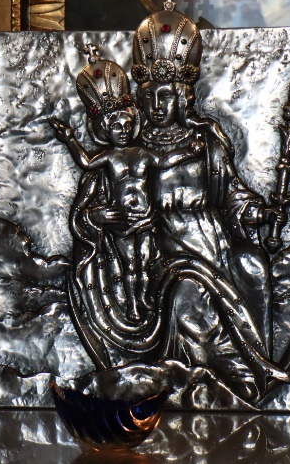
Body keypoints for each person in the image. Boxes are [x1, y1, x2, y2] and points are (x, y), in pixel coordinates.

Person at [65, 2, 290, 404]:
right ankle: (219, 379)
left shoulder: (206, 141)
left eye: (165, 96)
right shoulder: (129, 151)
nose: (157, 106)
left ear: (182, 96)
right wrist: (99, 217)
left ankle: (257, 365)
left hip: (214, 243)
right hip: (162, 252)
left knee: (253, 265)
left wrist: (259, 212)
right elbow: (87, 211)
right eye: (149, 97)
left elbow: (232, 194)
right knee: (188, 294)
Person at [49, 53, 203, 323]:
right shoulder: (107, 158)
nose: (122, 130)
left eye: (127, 125)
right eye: (116, 126)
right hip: (122, 221)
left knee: (145, 261)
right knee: (130, 264)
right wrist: (70, 138)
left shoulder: (141, 152)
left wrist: (189, 152)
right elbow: (85, 163)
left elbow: (164, 161)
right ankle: (131, 304)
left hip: (144, 217)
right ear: (104, 130)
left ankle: (145, 298)